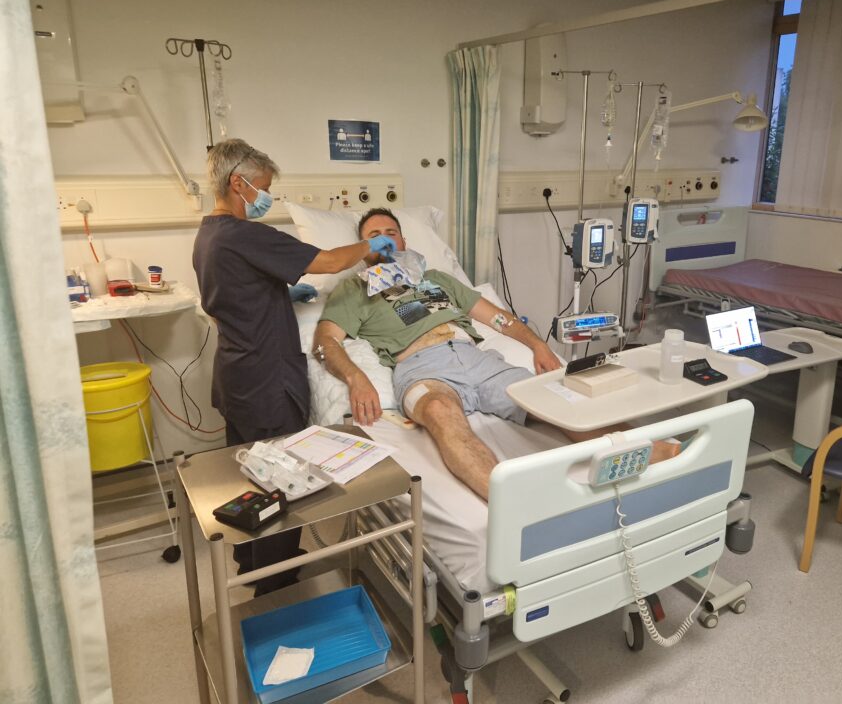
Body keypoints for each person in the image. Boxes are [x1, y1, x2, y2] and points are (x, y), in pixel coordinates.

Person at [313, 208, 677, 500]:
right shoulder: (354, 289)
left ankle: (667, 457)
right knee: (440, 411)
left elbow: (498, 318)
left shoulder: (436, 278)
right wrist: (355, 376)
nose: (384, 240)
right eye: (373, 236)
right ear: (362, 250)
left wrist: (536, 345)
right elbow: (325, 341)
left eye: (391, 232)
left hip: (477, 359)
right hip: (421, 367)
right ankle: (512, 504)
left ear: (404, 240)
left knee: (555, 399)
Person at [193, 139, 395, 594]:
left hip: (236, 375)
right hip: (266, 379)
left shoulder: (208, 234)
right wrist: (367, 245)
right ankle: (276, 582)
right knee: (277, 483)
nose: (265, 197)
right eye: (262, 188)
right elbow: (324, 262)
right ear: (237, 183)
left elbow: (232, 295)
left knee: (247, 474)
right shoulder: (244, 234)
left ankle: (250, 561)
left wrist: (278, 295)